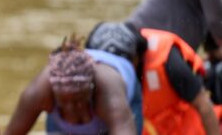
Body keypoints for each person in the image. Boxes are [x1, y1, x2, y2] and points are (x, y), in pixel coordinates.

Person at [89, 22, 220, 135]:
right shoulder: (91, 72)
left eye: (119, 66)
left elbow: (204, 105)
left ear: (136, 58)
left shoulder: (168, 61)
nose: (113, 73)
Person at [4, 34, 141, 135]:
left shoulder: (109, 91)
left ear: (91, 89)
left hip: (121, 103)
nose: (72, 109)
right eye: (63, 102)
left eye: (79, 101)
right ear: (53, 92)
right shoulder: (38, 93)